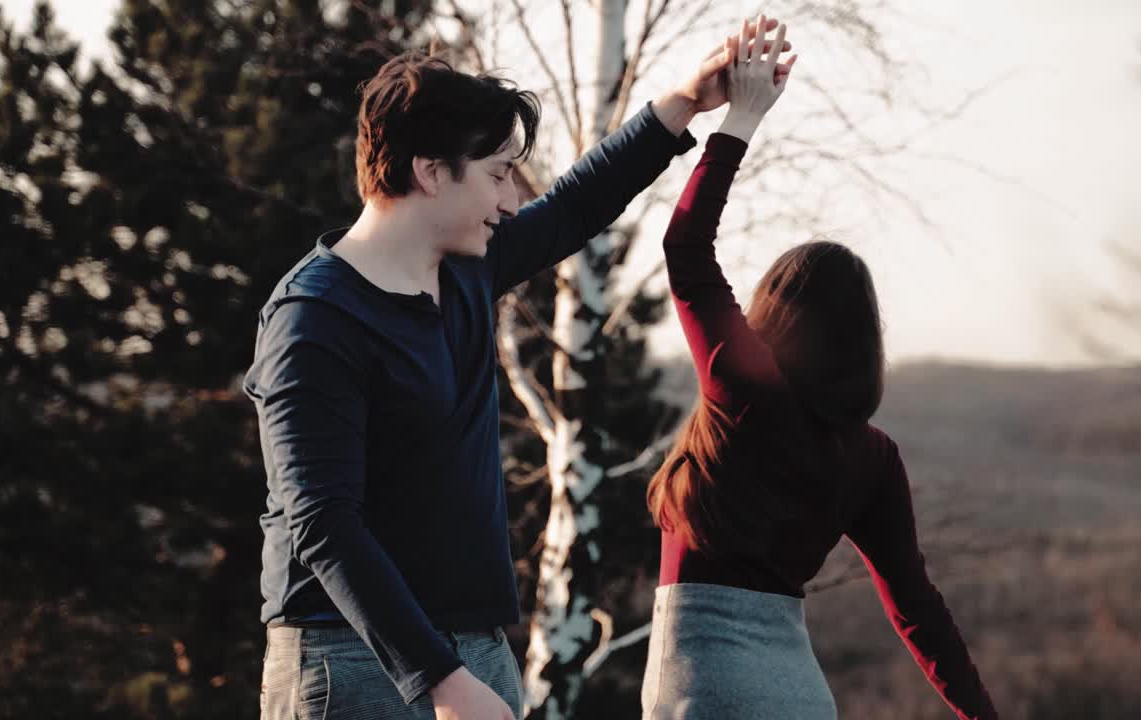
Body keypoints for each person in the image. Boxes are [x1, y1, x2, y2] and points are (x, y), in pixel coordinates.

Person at [244, 21, 793, 720]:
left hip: (474, 650)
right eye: (498, 174)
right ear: (431, 171)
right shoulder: (314, 319)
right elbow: (323, 523)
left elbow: (574, 207)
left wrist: (685, 102)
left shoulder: (468, 269)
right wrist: (441, 681)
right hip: (351, 660)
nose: (510, 200)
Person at [642, 15, 999, 720]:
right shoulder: (873, 458)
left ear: (776, 316)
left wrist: (741, 119)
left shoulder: (746, 393)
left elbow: (686, 248)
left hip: (703, 692)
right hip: (799, 693)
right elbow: (918, 611)